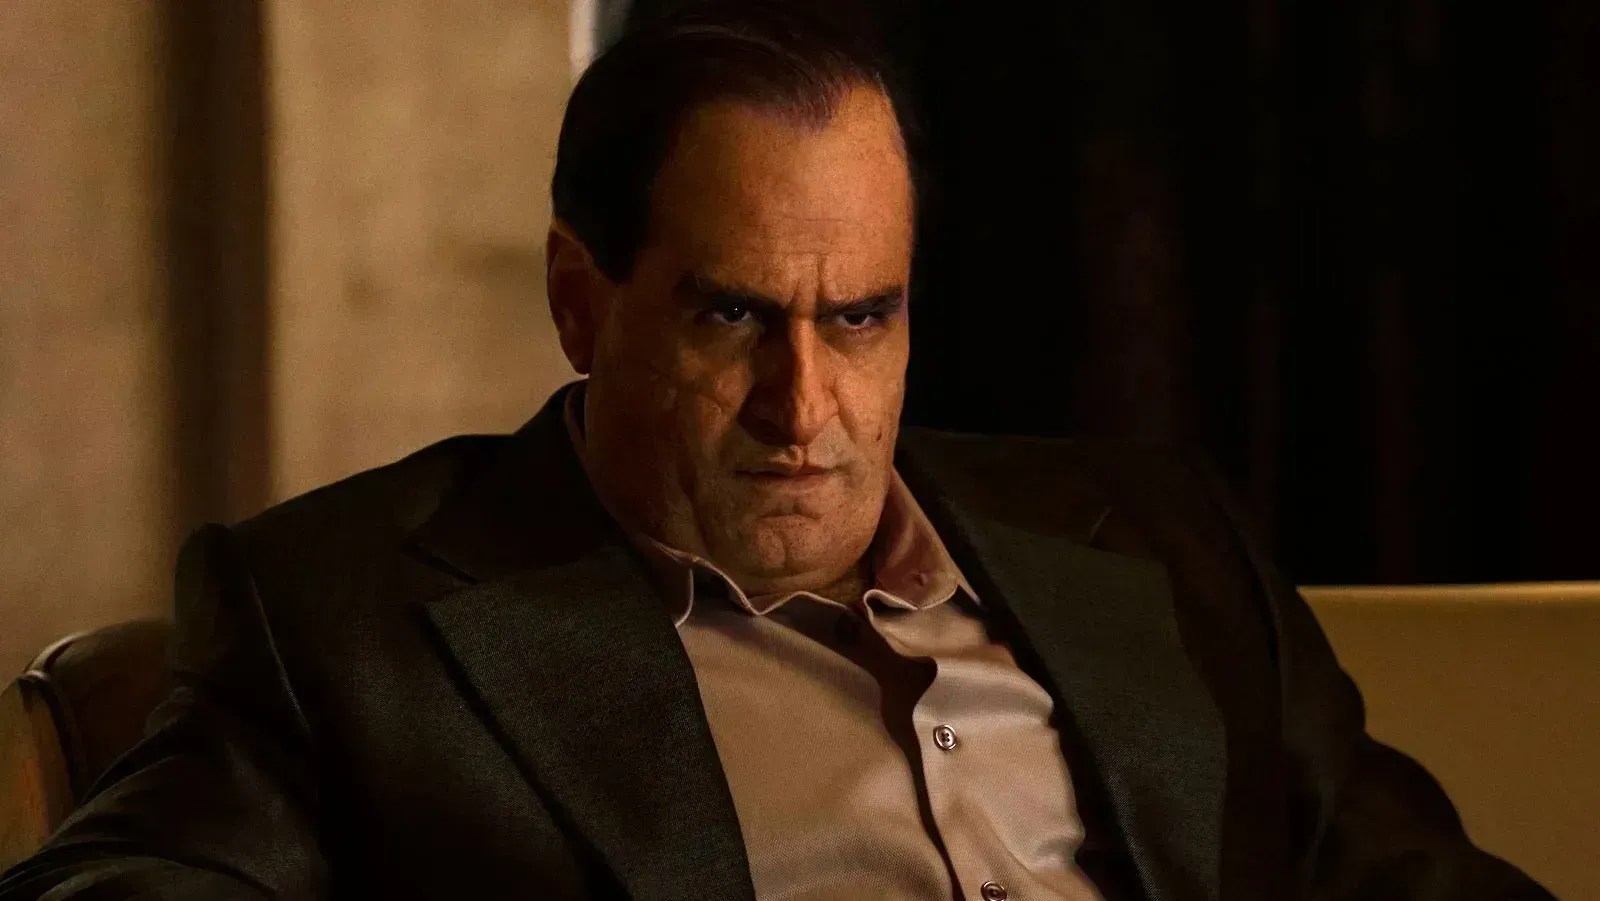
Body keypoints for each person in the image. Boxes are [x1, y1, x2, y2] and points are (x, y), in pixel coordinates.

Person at [0, 4, 1552, 900]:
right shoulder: (344, 621)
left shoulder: (1157, 537)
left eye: (862, 317)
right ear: (579, 303)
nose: (805, 407)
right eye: (734, 318)